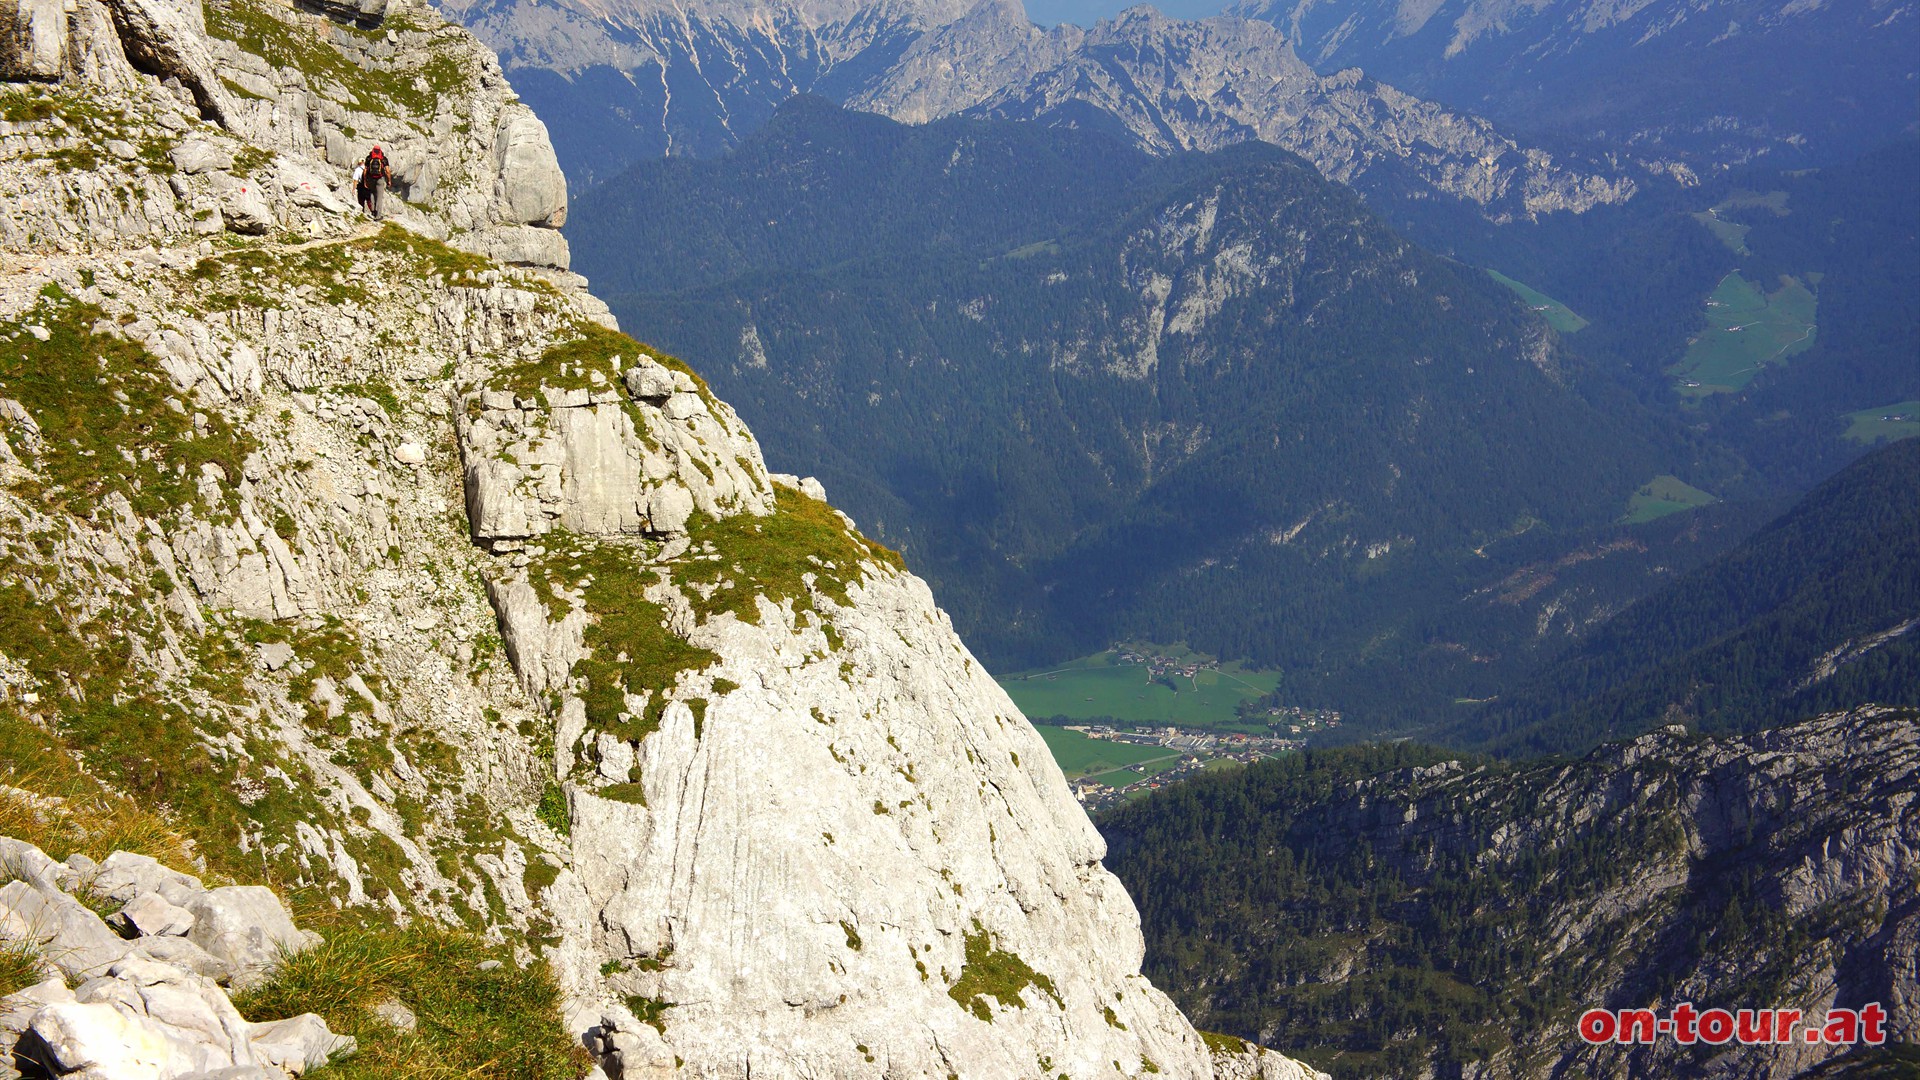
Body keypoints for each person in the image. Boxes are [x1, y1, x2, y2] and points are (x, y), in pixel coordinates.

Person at [356, 146, 391, 217]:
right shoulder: (383, 159)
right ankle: (378, 216)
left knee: (372, 193)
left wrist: (365, 181)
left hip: (371, 179)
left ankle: (373, 210)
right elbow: (387, 171)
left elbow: (365, 170)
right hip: (380, 179)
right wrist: (389, 180)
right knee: (379, 197)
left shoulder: (369, 158)